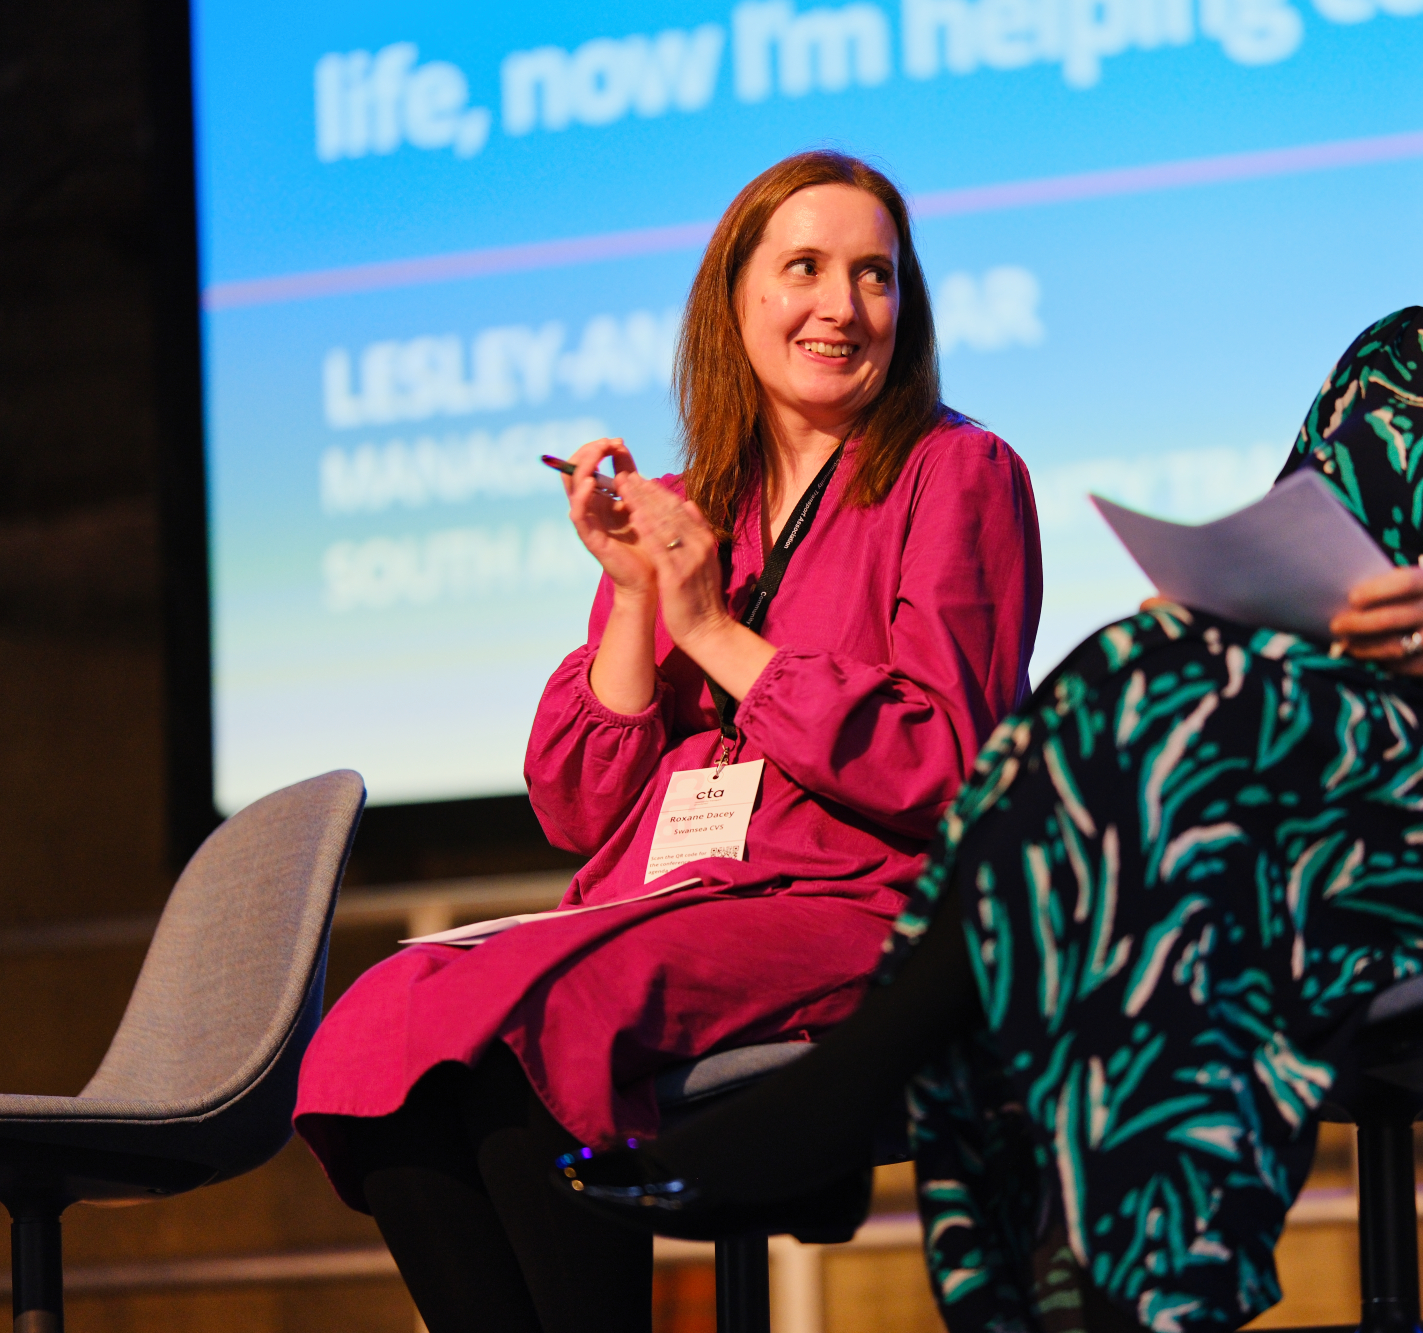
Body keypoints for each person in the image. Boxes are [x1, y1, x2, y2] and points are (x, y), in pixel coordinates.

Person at [566, 3, 1423, 1330]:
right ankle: (1086, 1286)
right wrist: (1224, 597)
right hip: (1329, 810)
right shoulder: (1402, 361)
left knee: (1168, 810)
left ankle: (890, 1125)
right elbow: (1294, 584)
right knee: (1155, 704)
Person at [290, 150, 1043, 1333]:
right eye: (805, 268)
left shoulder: (958, 474)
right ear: (735, 299)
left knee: (538, 1022)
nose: (841, 307)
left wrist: (711, 626)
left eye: (875, 276)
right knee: (385, 1017)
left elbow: (944, 761)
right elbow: (582, 813)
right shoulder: (689, 504)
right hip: (663, 900)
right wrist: (636, 593)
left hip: (861, 901)